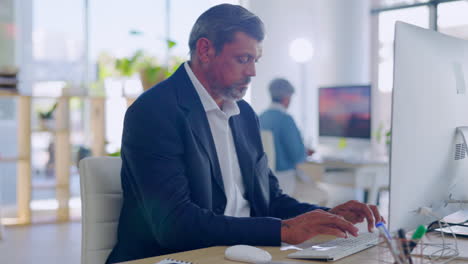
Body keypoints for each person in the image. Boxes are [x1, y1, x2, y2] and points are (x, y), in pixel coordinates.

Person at [107, 4, 384, 264]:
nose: (252, 71)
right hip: (175, 257)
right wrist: (283, 231)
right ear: (205, 50)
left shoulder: (245, 116)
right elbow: (174, 225)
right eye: (243, 59)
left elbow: (270, 199)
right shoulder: (155, 111)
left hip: (243, 253)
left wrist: (328, 216)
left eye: (255, 60)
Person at [259, 78, 313, 195]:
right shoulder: (286, 119)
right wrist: (304, 152)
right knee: (321, 193)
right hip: (284, 180)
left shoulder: (259, 117)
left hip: (263, 179)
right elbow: (296, 156)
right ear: (287, 98)